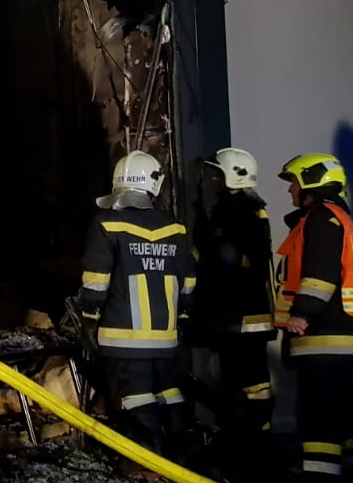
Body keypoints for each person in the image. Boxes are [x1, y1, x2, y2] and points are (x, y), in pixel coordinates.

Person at [274, 153, 353, 483]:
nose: (290, 190)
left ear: (311, 181)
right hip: (341, 335)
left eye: (293, 182)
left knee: (317, 413)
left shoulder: (321, 218)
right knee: (344, 412)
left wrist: (302, 314)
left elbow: (319, 274)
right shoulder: (336, 217)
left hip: (324, 336)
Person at [79, 150, 197, 462]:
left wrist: (89, 318)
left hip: (123, 338)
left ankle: (148, 461)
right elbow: (188, 282)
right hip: (166, 337)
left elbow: (96, 280)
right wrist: (182, 317)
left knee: (136, 396)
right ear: (153, 185)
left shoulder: (107, 224)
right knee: (168, 391)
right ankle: (181, 457)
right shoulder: (175, 229)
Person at [193, 148, 276, 460]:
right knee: (236, 379)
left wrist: (212, 250)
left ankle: (255, 440)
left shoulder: (242, 212)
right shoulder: (235, 210)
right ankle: (245, 438)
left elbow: (245, 262)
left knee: (252, 380)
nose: (215, 179)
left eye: (219, 174)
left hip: (244, 314)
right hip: (234, 314)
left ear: (232, 176)